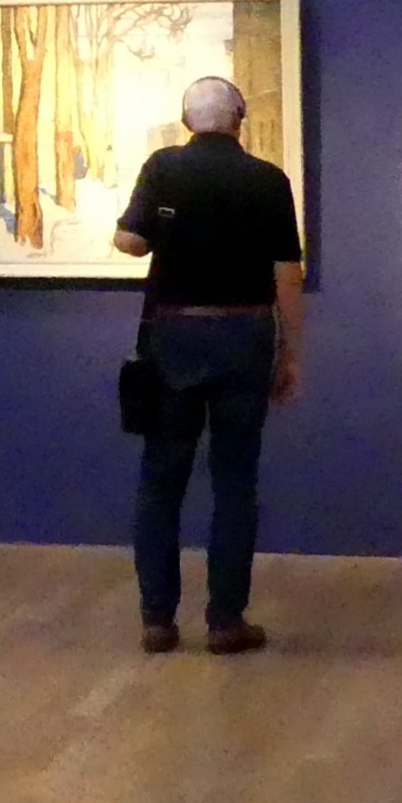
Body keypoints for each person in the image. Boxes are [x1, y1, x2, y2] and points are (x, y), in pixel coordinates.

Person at [113, 75, 305, 656]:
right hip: (245, 336)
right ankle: (225, 620)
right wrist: (291, 352)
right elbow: (287, 274)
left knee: (161, 479)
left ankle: (157, 619)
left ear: (186, 121)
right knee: (235, 481)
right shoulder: (268, 180)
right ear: (238, 119)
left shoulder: (163, 167)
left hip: (173, 336)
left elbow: (129, 242)